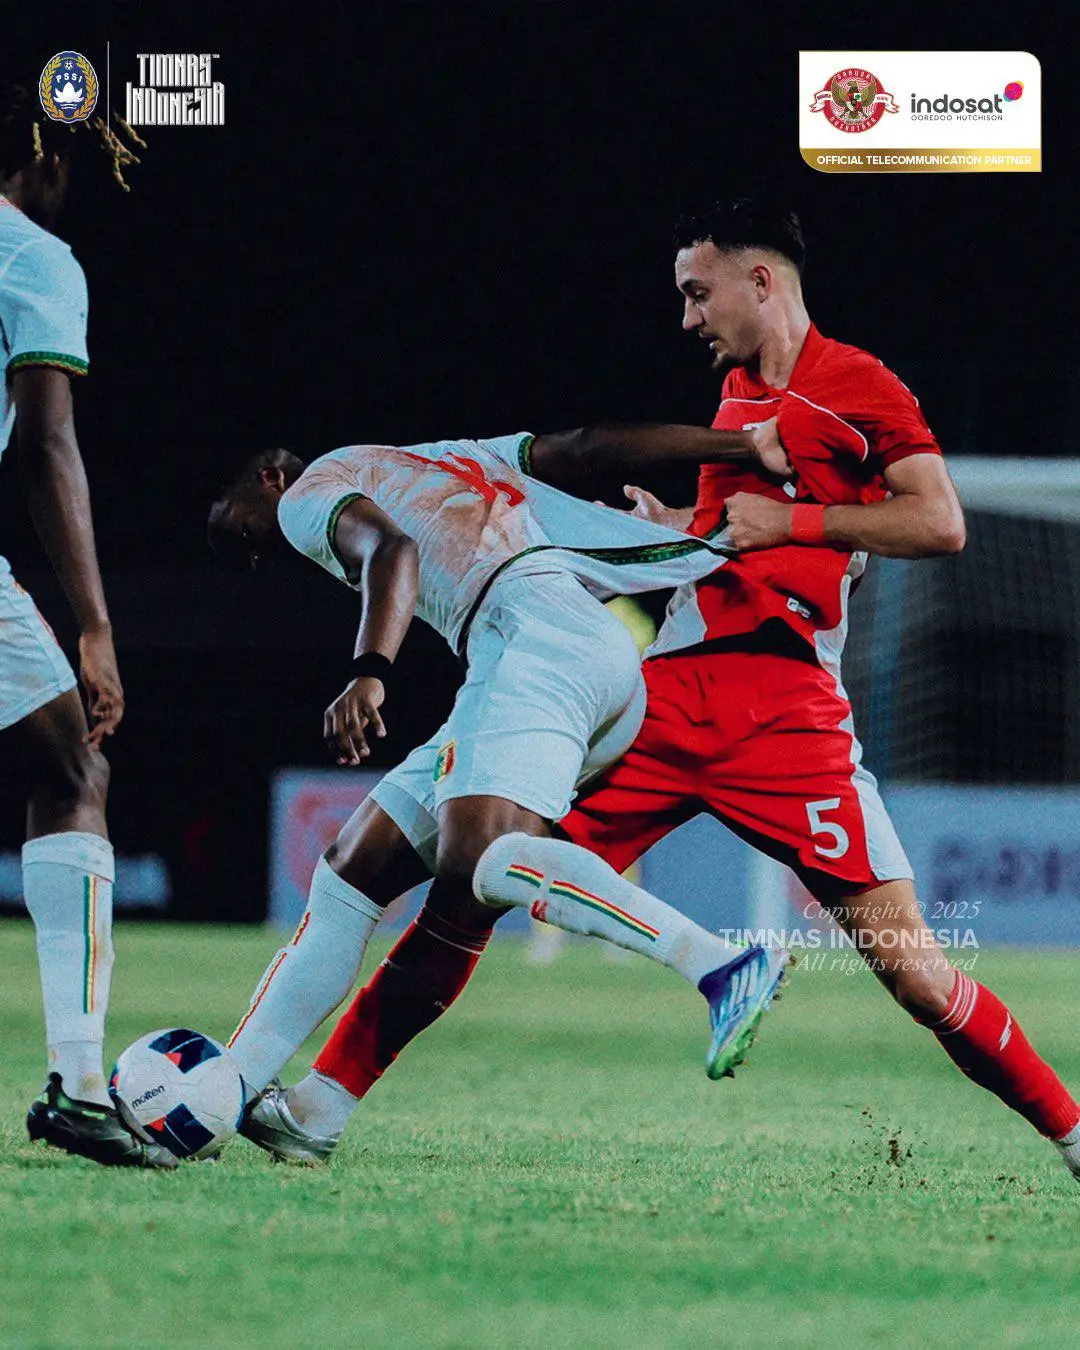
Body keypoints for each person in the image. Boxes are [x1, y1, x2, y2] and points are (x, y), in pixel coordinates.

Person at [266, 200, 1080, 1182]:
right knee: (482, 877)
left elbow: (939, 523)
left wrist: (796, 529)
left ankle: (1072, 1132)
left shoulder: (859, 385)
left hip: (787, 714)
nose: (688, 318)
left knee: (915, 974)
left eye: (700, 293)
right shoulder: (735, 400)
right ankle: (319, 1105)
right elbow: (730, 541)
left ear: (760, 281)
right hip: (666, 698)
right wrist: (674, 529)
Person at [206, 419, 797, 1147]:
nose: (257, 555)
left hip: (535, 640)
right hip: (575, 648)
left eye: (239, 532)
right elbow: (582, 447)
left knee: (483, 859)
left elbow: (393, 552)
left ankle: (722, 964)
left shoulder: (306, 495)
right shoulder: (444, 459)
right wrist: (744, 444)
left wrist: (369, 673)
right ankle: (257, 1098)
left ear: (269, 478)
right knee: (352, 872)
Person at [1, 85, 173, 1165]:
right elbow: (47, 443)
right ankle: (75, 1082)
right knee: (74, 769)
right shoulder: (34, 257)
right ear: (47, 161)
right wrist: (95, 628)